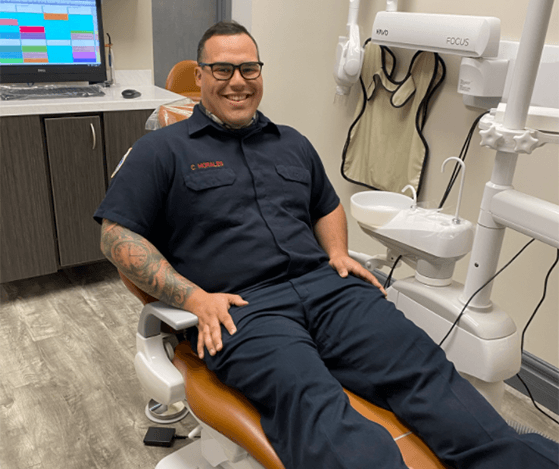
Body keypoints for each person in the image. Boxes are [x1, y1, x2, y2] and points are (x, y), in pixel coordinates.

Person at [95, 21, 558, 469]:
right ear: (200, 76)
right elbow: (116, 235)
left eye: (249, 69)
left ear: (260, 73)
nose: (237, 81)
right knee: (315, 407)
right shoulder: (162, 150)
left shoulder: (292, 144)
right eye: (222, 69)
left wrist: (337, 253)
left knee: (427, 374)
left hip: (330, 291)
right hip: (244, 310)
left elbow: (326, 204)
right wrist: (193, 298)